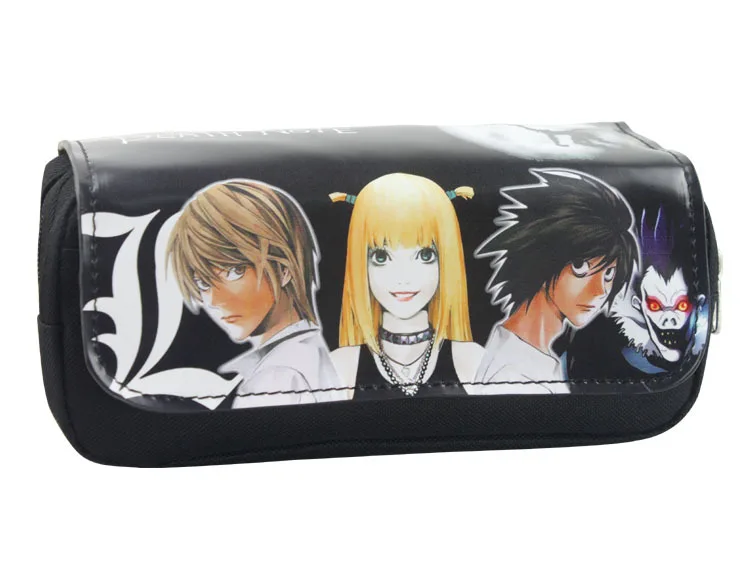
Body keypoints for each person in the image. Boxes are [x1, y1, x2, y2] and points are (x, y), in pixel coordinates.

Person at [167, 179, 347, 408]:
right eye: (202, 282)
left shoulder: (277, 375)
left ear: (283, 269)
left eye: (234, 271)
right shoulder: (309, 355)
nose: (213, 300)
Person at [470, 168, 640, 394]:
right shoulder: (515, 374)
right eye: (580, 267)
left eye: (609, 274)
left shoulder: (531, 356)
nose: (599, 290)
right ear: (540, 260)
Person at [329, 173, 484, 399]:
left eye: (425, 255)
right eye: (381, 257)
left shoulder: (473, 360)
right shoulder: (340, 366)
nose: (403, 277)